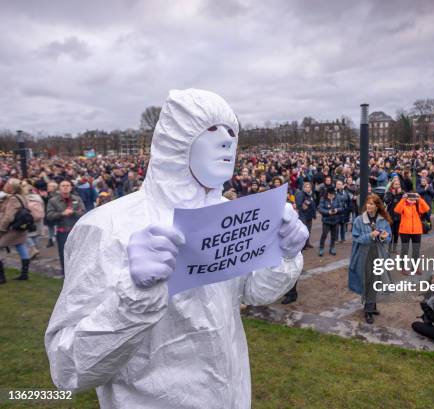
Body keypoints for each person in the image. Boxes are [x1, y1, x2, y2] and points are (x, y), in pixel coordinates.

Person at [45, 89, 308, 409]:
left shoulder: (226, 216)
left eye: (232, 131)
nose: (226, 139)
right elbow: (69, 368)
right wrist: (132, 299)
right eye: (211, 129)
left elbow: (251, 293)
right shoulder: (106, 227)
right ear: (176, 142)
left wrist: (282, 255)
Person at [348, 194, 392, 324]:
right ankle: (368, 310)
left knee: (375, 281)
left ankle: (371, 306)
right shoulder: (359, 220)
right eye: (367, 203)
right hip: (364, 255)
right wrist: (370, 235)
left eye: (372, 204)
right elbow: (357, 239)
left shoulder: (383, 220)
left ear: (378, 206)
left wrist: (383, 237)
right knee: (367, 281)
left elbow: (388, 238)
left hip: (378, 255)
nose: (369, 206)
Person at [281, 181, 317, 305]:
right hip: (283, 251)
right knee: (284, 271)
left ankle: (292, 293)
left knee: (291, 271)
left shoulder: (296, 224)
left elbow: (303, 235)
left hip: (291, 253)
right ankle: (287, 291)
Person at [46, 180, 86, 275]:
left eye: (68, 185)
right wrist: (62, 214)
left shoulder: (77, 199)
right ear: (59, 188)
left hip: (76, 232)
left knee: (78, 253)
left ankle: (77, 273)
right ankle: (65, 273)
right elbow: (49, 215)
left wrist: (74, 212)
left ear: (71, 188)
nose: (65, 187)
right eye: (63, 185)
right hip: (62, 231)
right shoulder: (53, 200)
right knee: (64, 253)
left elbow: (84, 213)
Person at [0, 178, 31, 283]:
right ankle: (24, 274)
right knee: (20, 246)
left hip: (13, 229)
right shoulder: (22, 197)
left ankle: (1, 277)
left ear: (11, 187)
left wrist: (2, 228)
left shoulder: (13, 199)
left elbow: (9, 216)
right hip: (21, 227)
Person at [394, 192, 430, 274]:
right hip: (404, 231)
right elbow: (397, 210)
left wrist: (419, 198)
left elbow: (426, 208)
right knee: (404, 250)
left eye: (413, 198)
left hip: (417, 230)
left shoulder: (417, 204)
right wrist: (403, 199)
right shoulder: (403, 204)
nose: (412, 200)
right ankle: (403, 267)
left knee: (416, 250)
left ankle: (415, 267)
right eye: (410, 198)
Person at [317, 187, 341, 256]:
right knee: (324, 235)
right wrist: (328, 212)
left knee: (334, 236)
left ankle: (332, 248)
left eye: (333, 194)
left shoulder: (337, 198)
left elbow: (341, 207)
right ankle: (321, 248)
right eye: (330, 195)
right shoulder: (323, 199)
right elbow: (320, 209)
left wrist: (337, 210)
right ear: (327, 193)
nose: (332, 196)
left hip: (335, 220)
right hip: (326, 221)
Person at [383, 179, 404, 253]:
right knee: (390, 232)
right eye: (395, 184)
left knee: (396, 233)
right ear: (392, 185)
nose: (397, 186)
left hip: (398, 216)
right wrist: (393, 194)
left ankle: (394, 248)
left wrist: (399, 194)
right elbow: (386, 200)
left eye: (398, 184)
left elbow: (404, 203)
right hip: (390, 215)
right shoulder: (389, 193)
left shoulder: (402, 194)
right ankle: (389, 248)